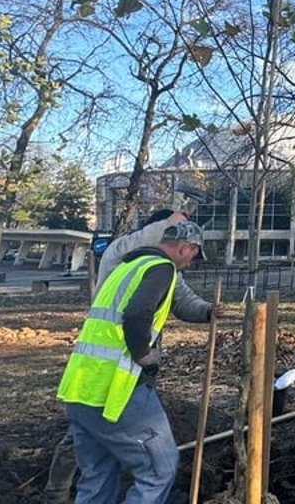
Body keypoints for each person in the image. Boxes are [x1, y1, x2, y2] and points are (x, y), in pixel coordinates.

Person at [43, 208, 213, 504]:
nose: (190, 263)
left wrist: (208, 312)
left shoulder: (127, 266)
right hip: (118, 390)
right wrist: (144, 355)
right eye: (192, 256)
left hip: (80, 387)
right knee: (158, 469)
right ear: (185, 247)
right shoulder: (161, 268)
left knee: (96, 476)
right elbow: (136, 314)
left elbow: (182, 301)